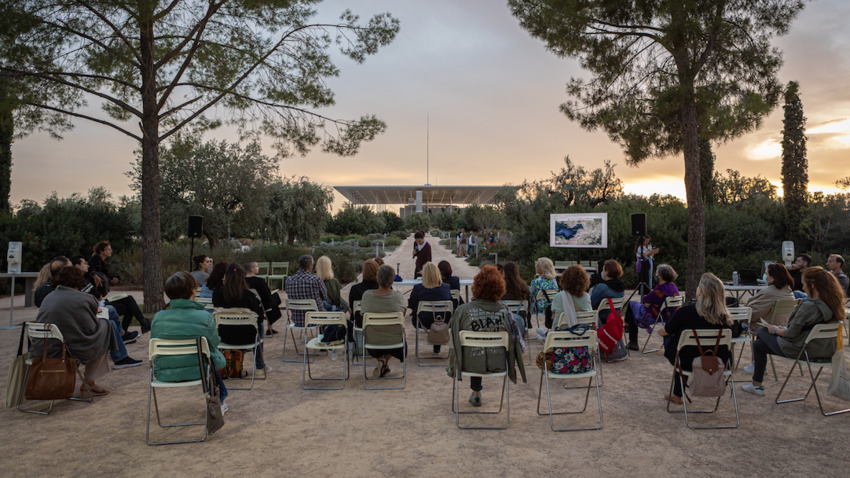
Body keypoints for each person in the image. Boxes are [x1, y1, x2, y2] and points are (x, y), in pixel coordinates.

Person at [742, 267, 846, 397]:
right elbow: (804, 330)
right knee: (759, 346)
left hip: (802, 350)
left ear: (812, 285)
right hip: (825, 351)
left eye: (804, 284)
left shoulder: (809, 306)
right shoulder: (833, 305)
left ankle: (757, 385)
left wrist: (775, 329)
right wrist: (783, 329)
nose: (803, 288)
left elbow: (791, 334)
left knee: (762, 330)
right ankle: (756, 385)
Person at [449, 265, 527, 407]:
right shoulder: (506, 313)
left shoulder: (462, 311)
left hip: (468, 363)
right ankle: (477, 392)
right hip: (499, 363)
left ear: (476, 286)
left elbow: (453, 341)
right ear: (500, 288)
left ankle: (476, 392)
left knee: (475, 349)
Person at [151, 272, 229, 412]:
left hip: (165, 372)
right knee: (209, 357)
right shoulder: (204, 317)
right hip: (199, 371)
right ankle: (219, 398)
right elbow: (214, 343)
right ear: (193, 290)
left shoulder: (158, 318)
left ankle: (221, 397)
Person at [34, 267, 116, 396]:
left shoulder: (49, 297)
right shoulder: (83, 298)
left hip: (42, 347)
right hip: (65, 349)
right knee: (104, 331)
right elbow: (90, 330)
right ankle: (89, 382)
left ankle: (89, 382)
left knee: (100, 333)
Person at [658, 273, 732, 404]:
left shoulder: (686, 312)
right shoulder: (725, 317)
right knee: (684, 345)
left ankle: (677, 394)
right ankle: (677, 392)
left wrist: (662, 331)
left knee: (677, 342)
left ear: (701, 292)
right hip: (718, 362)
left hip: (687, 361)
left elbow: (665, 331)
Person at [213, 263, 268, 372]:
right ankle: (260, 366)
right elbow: (259, 318)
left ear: (226, 277)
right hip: (248, 337)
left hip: (225, 336)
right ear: (243, 278)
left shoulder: (217, 294)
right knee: (259, 325)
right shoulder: (249, 295)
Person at [360, 265, 407, 378]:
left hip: (372, 343)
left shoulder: (367, 296)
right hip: (395, 343)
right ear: (392, 280)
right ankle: (384, 361)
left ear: (377, 278)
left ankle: (381, 361)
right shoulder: (398, 297)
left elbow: (362, 314)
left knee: (379, 332)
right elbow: (403, 314)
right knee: (393, 332)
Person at [624, 264, 680, 350]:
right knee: (634, 307)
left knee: (631, 305)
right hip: (670, 317)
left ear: (660, 276)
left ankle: (632, 340)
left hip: (654, 315)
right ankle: (628, 327)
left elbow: (645, 299)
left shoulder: (660, 289)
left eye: (657, 273)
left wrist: (649, 303)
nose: (655, 275)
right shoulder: (673, 286)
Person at [408, 262, 453, 353]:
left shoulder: (418, 288)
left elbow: (411, 305)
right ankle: (437, 346)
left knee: (427, 315)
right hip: (444, 323)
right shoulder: (446, 287)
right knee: (438, 316)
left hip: (423, 323)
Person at [742, 262, 796, 331]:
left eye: (766, 274)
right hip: (782, 327)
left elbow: (753, 314)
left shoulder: (769, 292)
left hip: (764, 327)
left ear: (772, 277)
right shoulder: (789, 292)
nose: (765, 277)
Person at [284, 255, 327, 327]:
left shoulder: (289, 280)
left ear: (299, 266)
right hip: (316, 319)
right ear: (310, 267)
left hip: (297, 321)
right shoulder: (316, 280)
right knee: (329, 307)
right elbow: (324, 296)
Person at [245, 261, 282, 335]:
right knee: (275, 298)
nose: (258, 268)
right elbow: (267, 295)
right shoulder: (259, 281)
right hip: (260, 304)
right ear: (252, 269)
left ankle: (270, 325)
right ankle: (269, 326)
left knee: (272, 303)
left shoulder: (242, 280)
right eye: (256, 266)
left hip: (247, 303)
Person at [550, 264, 592, 330]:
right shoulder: (586, 297)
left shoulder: (558, 297)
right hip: (584, 335)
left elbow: (555, 319)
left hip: (561, 336)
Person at [501, 261, 531, 326]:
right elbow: (528, 305)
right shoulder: (524, 287)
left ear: (504, 272)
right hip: (520, 319)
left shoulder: (500, 286)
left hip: (504, 319)